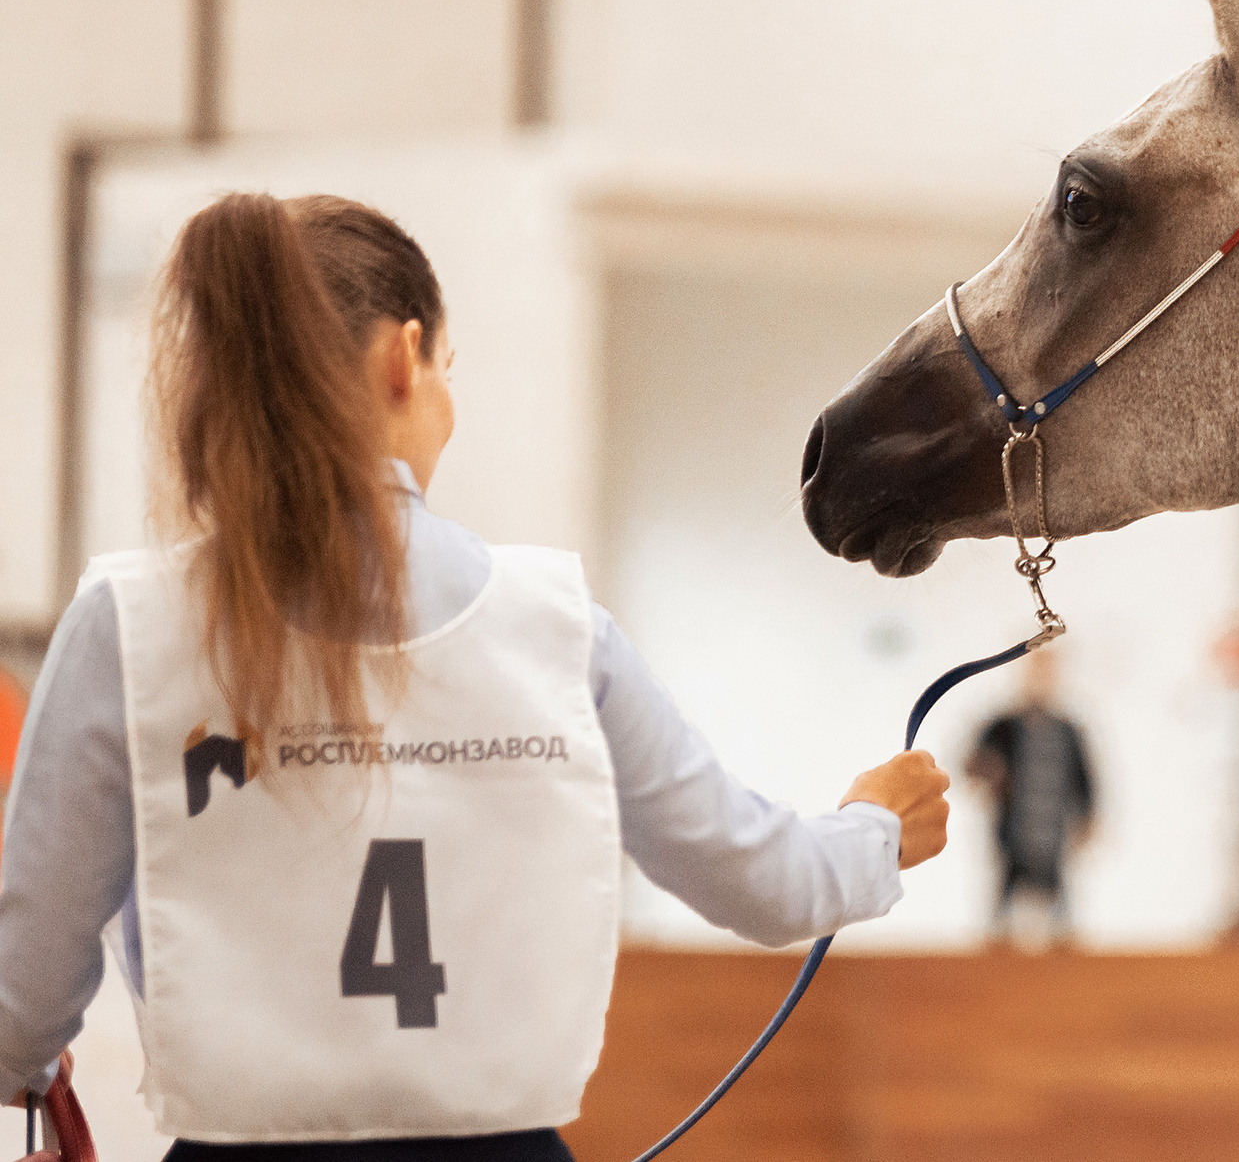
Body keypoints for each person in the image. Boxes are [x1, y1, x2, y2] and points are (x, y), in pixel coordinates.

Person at [0, 193, 953, 1160]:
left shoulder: (126, 629)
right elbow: (767, 884)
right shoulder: (553, 628)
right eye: (447, 369)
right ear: (401, 359)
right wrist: (878, 826)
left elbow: (15, 1010)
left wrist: (35, 1070)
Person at [964, 648, 1094, 950]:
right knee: (1006, 888)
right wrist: (987, 772)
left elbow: (1084, 779)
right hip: (1014, 826)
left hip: (1054, 828)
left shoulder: (1068, 730)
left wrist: (1087, 818)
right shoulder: (1002, 727)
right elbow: (974, 764)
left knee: (1058, 892)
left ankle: (1064, 945)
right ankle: (997, 943)